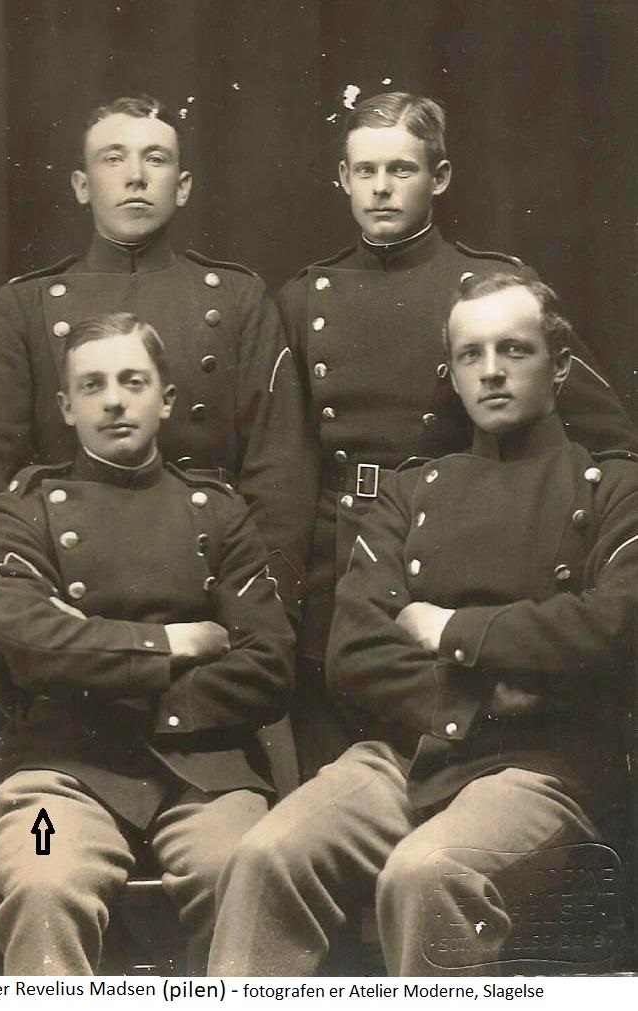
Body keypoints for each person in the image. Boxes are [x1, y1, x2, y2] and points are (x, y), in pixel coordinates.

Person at [207, 273, 638, 976]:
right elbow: (357, 651)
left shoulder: (616, 487)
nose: (491, 370)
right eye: (471, 354)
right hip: (403, 757)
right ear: (454, 374)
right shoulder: (410, 492)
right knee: (265, 854)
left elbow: (610, 626)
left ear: (559, 366)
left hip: (540, 768)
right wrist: (488, 691)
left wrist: (449, 630)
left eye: (514, 350)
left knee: (428, 871)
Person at [277, 91, 638, 776]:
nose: (382, 188)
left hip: (455, 552)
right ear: (343, 178)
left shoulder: (491, 290)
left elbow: (606, 436)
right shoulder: (302, 298)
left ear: (438, 178)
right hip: (340, 566)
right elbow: (284, 467)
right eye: (366, 170)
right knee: (340, 783)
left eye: (402, 169)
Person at [0, 312, 295, 975]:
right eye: (92, 385)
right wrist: (176, 642)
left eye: (133, 381)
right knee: (42, 879)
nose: (114, 401)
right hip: (60, 776)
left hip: (207, 774)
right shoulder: (24, 511)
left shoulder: (220, 512)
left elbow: (269, 666)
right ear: (66, 406)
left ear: (166, 398)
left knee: (247, 873)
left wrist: (96, 663)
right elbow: (34, 648)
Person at [0, 93, 317, 681]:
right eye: (112, 158)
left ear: (183, 186)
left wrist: (262, 614)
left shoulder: (237, 299)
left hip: (211, 589)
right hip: (64, 595)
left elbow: (281, 472)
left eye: (155, 158)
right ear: (81, 185)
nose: (134, 177)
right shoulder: (26, 304)